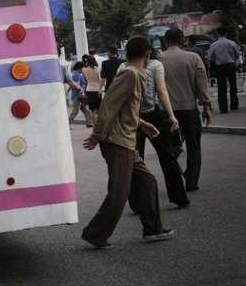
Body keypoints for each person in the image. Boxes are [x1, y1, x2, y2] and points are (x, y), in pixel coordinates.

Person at [81, 36, 174, 249]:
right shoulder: (130, 74)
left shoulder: (135, 74)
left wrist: (141, 123)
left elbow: (126, 107)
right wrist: (98, 134)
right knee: (119, 191)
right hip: (117, 140)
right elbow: (109, 105)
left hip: (126, 138)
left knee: (148, 181)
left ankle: (153, 229)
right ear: (148, 54)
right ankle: (95, 233)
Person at [117, 43, 188, 209]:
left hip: (132, 117)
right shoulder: (156, 65)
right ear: (148, 52)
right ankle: (179, 198)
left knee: (134, 160)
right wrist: (171, 116)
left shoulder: (122, 67)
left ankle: (137, 204)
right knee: (167, 156)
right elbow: (162, 91)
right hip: (153, 115)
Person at [159, 28, 211, 192]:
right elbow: (202, 85)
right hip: (189, 108)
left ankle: (174, 181)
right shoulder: (193, 58)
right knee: (194, 145)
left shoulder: (157, 59)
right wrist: (206, 106)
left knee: (170, 147)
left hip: (165, 111)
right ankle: (191, 181)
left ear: (165, 41)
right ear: (182, 41)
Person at [207, 27, 241, 114]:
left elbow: (210, 58)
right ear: (226, 33)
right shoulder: (232, 43)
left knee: (221, 88)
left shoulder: (214, 45)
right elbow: (237, 54)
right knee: (233, 86)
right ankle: (234, 106)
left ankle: (223, 109)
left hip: (220, 67)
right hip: (231, 65)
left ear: (217, 34)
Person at [68, 62, 93, 127]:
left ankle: (89, 123)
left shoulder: (75, 74)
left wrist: (67, 91)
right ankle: (68, 124)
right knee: (75, 111)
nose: (84, 70)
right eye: (83, 68)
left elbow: (72, 85)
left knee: (86, 110)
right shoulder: (77, 75)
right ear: (79, 68)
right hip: (78, 96)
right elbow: (77, 85)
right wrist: (82, 93)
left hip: (78, 95)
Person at [82, 56, 102, 125]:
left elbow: (85, 78)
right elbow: (100, 80)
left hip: (89, 89)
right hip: (97, 89)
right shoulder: (98, 69)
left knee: (92, 110)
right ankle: (99, 125)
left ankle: (95, 125)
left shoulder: (84, 70)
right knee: (99, 110)